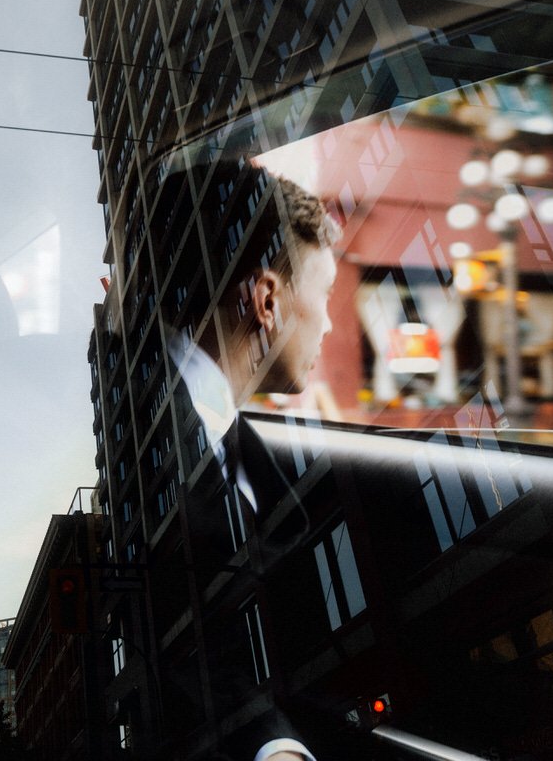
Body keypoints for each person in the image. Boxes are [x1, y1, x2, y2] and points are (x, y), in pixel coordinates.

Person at [168, 161, 342, 761]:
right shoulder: (164, 436)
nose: (330, 321)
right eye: (325, 295)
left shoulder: (235, 441)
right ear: (267, 299)